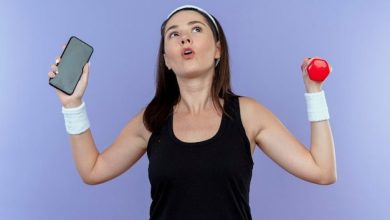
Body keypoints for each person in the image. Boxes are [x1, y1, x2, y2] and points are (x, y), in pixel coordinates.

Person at [48, 5, 336, 220]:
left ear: (217, 50)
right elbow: (92, 170)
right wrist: (73, 105)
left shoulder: (249, 114)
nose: (185, 38)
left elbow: (322, 171)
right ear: (167, 60)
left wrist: (314, 91)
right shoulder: (150, 120)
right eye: (174, 34)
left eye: (196, 29)